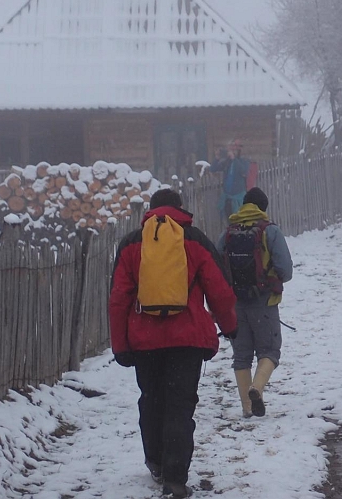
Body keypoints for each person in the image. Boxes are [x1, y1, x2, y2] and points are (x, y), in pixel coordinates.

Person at [109, 188, 238, 498]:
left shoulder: (132, 243)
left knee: (151, 401)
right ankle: (175, 478)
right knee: (180, 407)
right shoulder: (194, 240)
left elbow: (118, 298)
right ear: (180, 208)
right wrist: (230, 326)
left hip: (144, 340)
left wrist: (120, 345)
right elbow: (219, 290)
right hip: (187, 340)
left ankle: (155, 462)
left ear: (150, 211)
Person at [217, 187, 293, 418]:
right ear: (263, 208)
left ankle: (247, 407)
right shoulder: (270, 231)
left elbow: (216, 264)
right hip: (264, 301)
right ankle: (257, 388)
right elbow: (286, 270)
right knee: (269, 350)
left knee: (241, 355)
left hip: (236, 303)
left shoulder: (228, 232)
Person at [210, 139, 256, 219]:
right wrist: (217, 158)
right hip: (227, 198)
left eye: (234, 149)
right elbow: (213, 169)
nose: (232, 151)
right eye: (231, 149)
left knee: (240, 220)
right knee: (230, 221)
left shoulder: (244, 161)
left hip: (238, 198)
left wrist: (234, 159)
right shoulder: (227, 161)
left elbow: (244, 172)